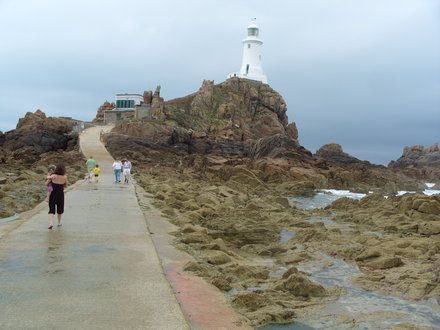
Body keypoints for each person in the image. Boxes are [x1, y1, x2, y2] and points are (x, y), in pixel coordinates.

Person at [46, 164, 68, 229]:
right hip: (60, 194)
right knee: (60, 208)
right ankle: (59, 222)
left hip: (53, 193)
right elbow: (66, 186)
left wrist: (49, 179)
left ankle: (51, 223)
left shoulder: (53, 176)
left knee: (51, 208)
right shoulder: (65, 177)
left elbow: (46, 183)